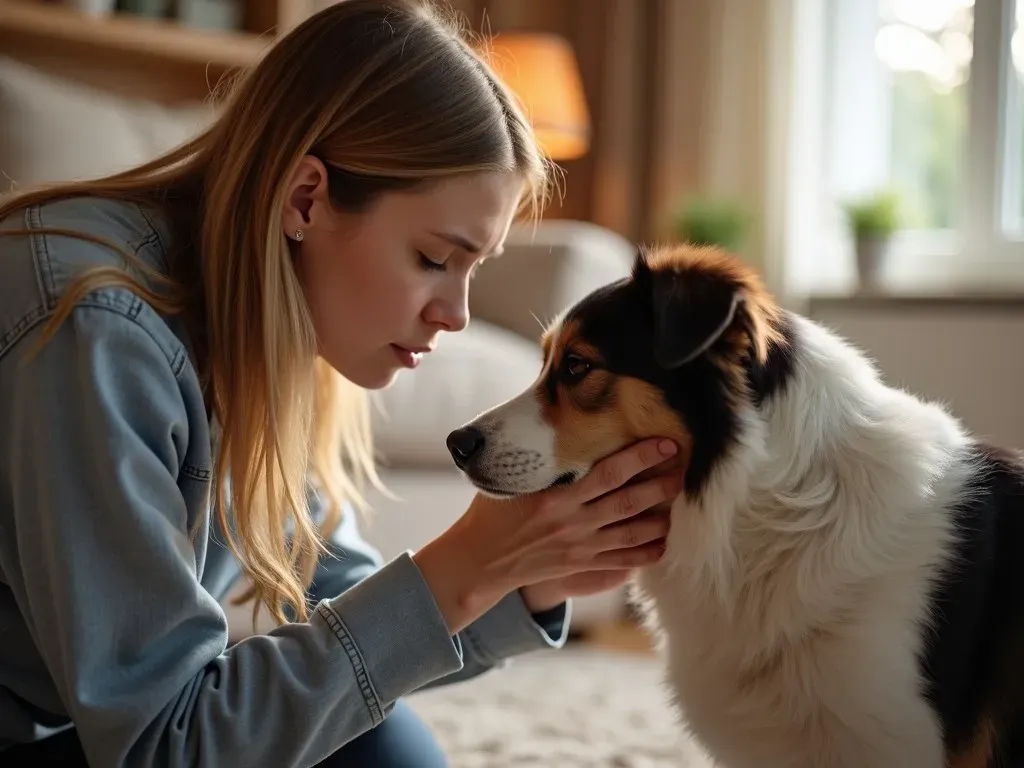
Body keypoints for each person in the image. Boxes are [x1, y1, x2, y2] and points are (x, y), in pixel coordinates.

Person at [0, 0, 681, 765]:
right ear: (305, 198)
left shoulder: (260, 336)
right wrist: (466, 565)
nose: (455, 315)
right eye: (433, 258)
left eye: (472, 270)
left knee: (372, 741)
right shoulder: (96, 329)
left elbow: (340, 604)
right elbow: (168, 744)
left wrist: (531, 573)